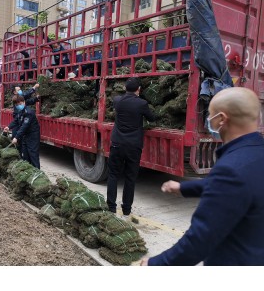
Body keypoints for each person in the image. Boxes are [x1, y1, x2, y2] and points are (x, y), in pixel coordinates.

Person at [141, 87, 264, 266]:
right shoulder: (255, 154)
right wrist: (183, 187)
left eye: (210, 116)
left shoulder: (230, 169)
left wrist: (156, 264)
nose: (209, 121)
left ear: (221, 119)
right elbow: (239, 187)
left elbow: (200, 240)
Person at [106, 77, 156, 218]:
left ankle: (111, 208)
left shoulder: (117, 101)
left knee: (113, 175)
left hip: (117, 144)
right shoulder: (142, 104)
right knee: (130, 178)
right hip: (133, 146)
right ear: (138, 90)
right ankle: (126, 210)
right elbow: (152, 118)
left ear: (125, 88)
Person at [4, 95, 41, 169]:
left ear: (24, 102)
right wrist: (8, 127)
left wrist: (16, 137)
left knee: (33, 155)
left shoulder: (29, 112)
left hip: (32, 136)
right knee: (25, 155)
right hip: (25, 135)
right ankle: (28, 171)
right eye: (17, 105)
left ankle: (37, 172)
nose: (18, 106)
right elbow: (16, 121)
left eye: (20, 104)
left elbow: (24, 126)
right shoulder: (20, 111)